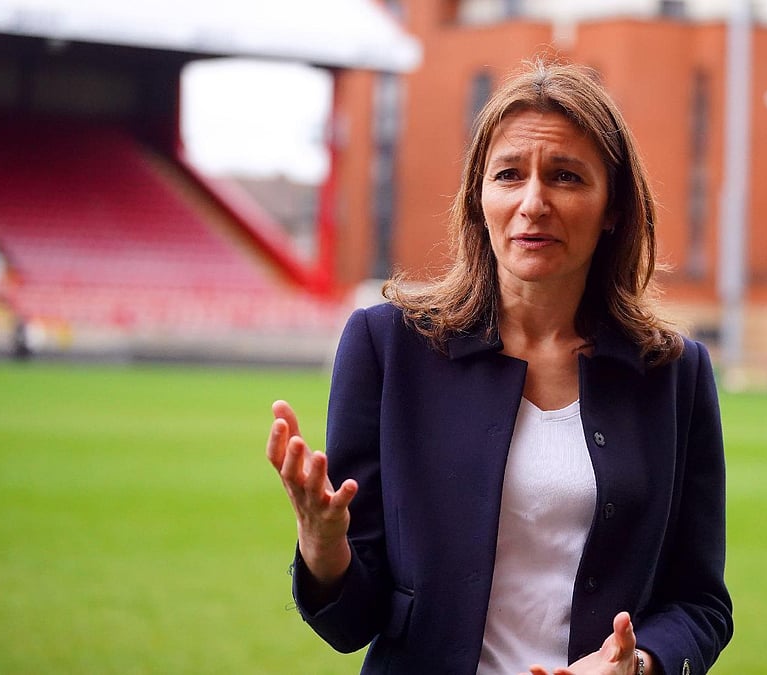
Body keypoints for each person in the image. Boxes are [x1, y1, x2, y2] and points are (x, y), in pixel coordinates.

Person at [266, 59, 733, 674]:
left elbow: (700, 604)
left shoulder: (674, 374)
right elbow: (353, 620)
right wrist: (324, 549)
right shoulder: (388, 346)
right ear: (479, 196)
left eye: (565, 177)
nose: (532, 202)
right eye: (509, 174)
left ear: (613, 206)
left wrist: (639, 663)